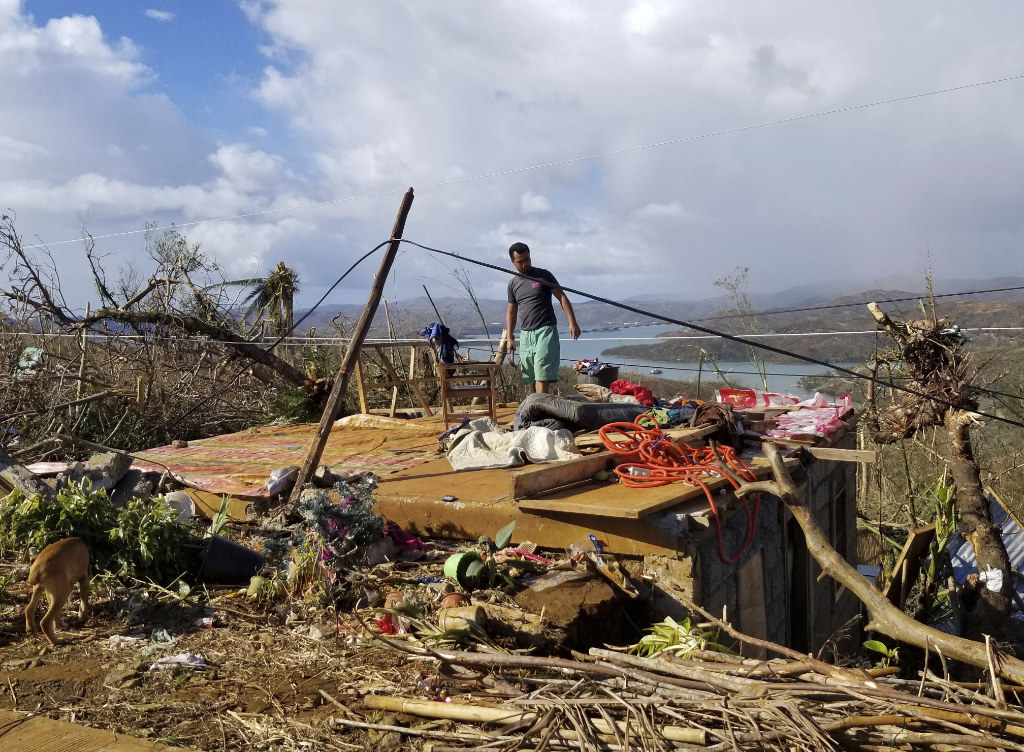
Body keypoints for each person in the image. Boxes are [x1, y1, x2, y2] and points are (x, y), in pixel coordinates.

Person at [504, 242, 581, 394]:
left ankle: (542, 410)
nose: (525, 264)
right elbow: (511, 312)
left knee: (542, 372)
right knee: (530, 375)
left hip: (545, 330)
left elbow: (562, 297)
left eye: (527, 259)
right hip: (526, 334)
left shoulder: (543, 275)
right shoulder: (513, 284)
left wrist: (572, 322)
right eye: (520, 261)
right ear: (513, 262)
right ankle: (536, 408)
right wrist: (509, 337)